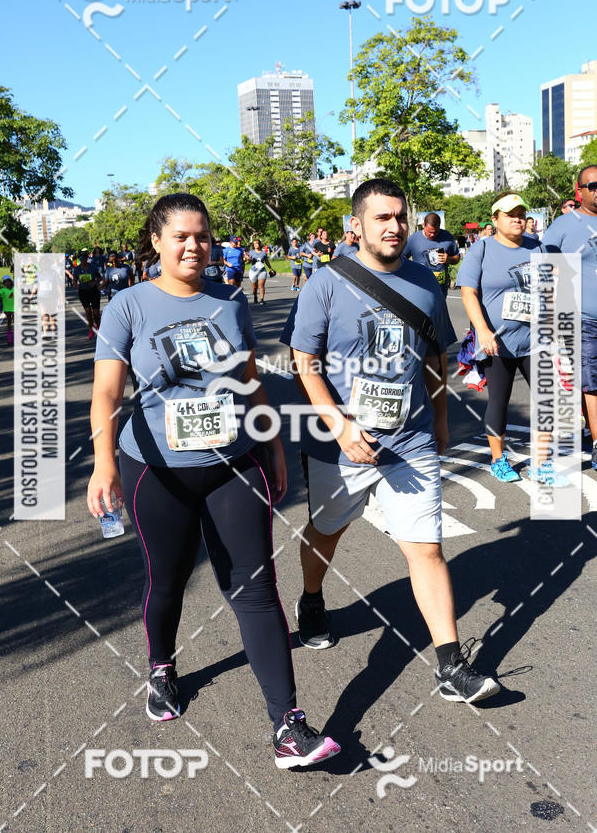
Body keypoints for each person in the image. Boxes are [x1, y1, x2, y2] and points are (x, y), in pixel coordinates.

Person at [87, 193, 340, 768]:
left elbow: (250, 382)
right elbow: (107, 392)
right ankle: (162, 666)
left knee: (254, 588)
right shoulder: (128, 305)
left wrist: (272, 442)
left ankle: (288, 724)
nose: (194, 246)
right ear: (155, 241)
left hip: (233, 462)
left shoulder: (229, 301)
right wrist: (105, 462)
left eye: (202, 236)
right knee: (168, 579)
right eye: (180, 236)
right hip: (157, 470)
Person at [281, 178, 500, 704]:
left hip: (412, 438)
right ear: (355, 226)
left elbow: (434, 359)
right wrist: (339, 425)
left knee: (426, 549)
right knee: (327, 531)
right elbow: (303, 361)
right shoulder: (325, 284)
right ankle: (312, 599)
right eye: (381, 218)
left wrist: (441, 418)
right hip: (343, 443)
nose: (395, 226)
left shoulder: (425, 283)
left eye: (400, 216)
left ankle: (451, 665)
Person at [458, 191, 568, 485]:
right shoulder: (481, 249)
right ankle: (498, 460)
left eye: (521, 213)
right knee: (499, 401)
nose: (518, 219)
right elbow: (469, 292)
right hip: (498, 342)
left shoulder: (537, 246)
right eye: (510, 214)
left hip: (535, 339)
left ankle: (542, 464)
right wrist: (481, 329)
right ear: (495, 220)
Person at [544, 165, 597, 471]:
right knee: (592, 383)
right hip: (582, 320)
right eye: (593, 185)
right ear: (580, 191)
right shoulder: (563, 226)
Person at [402, 213, 459, 298]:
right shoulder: (413, 239)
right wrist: (412, 269)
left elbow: (457, 258)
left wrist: (449, 259)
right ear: (423, 225)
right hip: (420, 288)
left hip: (440, 289)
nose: (432, 235)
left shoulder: (448, 237)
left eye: (435, 232)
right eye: (429, 232)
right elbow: (401, 258)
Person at [73, 250, 102, 338]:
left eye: (85, 258)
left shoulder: (92, 267)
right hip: (83, 292)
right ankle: (90, 329)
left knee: (96, 313)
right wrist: (77, 285)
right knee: (88, 312)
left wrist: (94, 282)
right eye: (81, 259)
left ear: (87, 258)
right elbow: (74, 280)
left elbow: (99, 277)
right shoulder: (77, 269)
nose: (83, 260)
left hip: (93, 291)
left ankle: (98, 326)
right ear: (79, 259)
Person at [248, 238, 273, 305]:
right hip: (253, 272)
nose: (256, 245)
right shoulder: (251, 252)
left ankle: (262, 299)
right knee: (254, 287)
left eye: (257, 243)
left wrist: (271, 269)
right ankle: (255, 296)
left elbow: (266, 261)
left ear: (260, 244)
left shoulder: (263, 253)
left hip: (262, 271)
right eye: (254, 244)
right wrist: (248, 260)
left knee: (261, 285)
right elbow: (248, 262)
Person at [0, 274, 14, 344]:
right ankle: (10, 338)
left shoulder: (14, 289)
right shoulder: (3, 290)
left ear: (10, 282)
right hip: (7, 309)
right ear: (4, 283)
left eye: (8, 281)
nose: (7, 283)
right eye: (5, 282)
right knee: (9, 322)